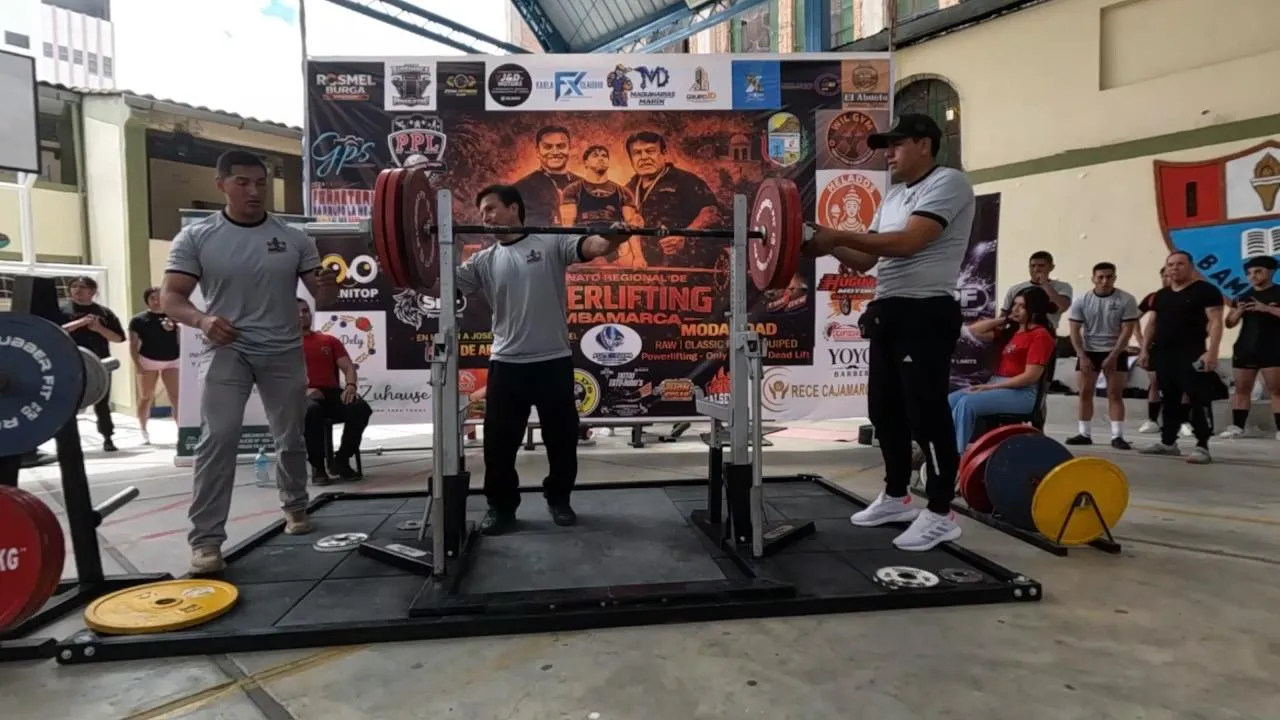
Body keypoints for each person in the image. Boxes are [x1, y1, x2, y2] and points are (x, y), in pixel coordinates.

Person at [803, 113, 975, 552]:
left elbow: (908, 243)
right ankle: (897, 496)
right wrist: (819, 242)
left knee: (926, 415)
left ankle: (941, 512)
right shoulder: (894, 196)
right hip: (890, 311)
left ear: (924, 144)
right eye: (887, 147)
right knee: (884, 412)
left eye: (896, 145)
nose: (889, 154)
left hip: (926, 312)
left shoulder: (949, 183)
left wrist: (837, 235)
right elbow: (865, 261)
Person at [162, 150, 337, 575]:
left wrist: (330, 286)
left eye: (260, 183)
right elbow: (171, 298)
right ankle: (206, 541)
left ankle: (295, 505)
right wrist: (203, 320)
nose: (254, 191)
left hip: (282, 350)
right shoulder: (196, 238)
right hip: (229, 349)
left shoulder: (294, 238)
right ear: (221, 184)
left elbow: (324, 295)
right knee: (218, 439)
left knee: (290, 436)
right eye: (242, 182)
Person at [459, 184, 631, 536]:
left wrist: (614, 238)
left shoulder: (550, 243)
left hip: (552, 361)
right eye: (482, 212)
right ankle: (501, 507)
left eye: (491, 208)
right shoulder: (483, 261)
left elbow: (594, 246)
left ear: (513, 208)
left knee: (562, 439)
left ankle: (559, 499)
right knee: (498, 445)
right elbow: (437, 284)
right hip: (507, 363)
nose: (485, 217)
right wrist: (402, 264)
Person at [1137, 251, 1223, 463]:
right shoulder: (1161, 295)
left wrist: (1212, 351)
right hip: (1164, 353)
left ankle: (1202, 446)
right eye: (1171, 264)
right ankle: (1168, 443)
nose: (1174, 268)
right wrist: (1144, 350)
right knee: (1169, 399)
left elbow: (1216, 322)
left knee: (1197, 398)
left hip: (1192, 352)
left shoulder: (1206, 291)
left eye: (1180, 264)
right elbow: (1152, 324)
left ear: (1191, 267)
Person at [948, 287, 1056, 452]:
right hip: (999, 386)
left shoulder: (1040, 335)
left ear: (1034, 309)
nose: (1016, 309)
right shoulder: (1012, 331)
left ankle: (958, 454)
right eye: (1015, 304)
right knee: (950, 401)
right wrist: (1004, 319)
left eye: (1022, 306)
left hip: (1022, 392)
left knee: (967, 404)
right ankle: (942, 446)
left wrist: (991, 387)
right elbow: (975, 330)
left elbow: (1030, 376)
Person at [1064, 262, 1140, 449]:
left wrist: (1113, 355)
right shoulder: (1082, 300)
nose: (1105, 281)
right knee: (1085, 392)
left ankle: (1117, 436)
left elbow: (1127, 331)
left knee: (1115, 394)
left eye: (1109, 277)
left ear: (1115, 278)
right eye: (1100, 277)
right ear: (1093, 279)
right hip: (1089, 351)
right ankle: (1084, 433)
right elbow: (1074, 331)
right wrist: (1082, 355)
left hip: (1116, 350)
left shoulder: (1126, 299)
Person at [299, 299, 372, 484]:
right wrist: (303, 390)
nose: (302, 315)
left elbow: (348, 367)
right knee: (312, 411)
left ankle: (341, 460)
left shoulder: (328, 340)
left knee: (360, 408)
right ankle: (318, 466)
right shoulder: (283, 344)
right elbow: (278, 376)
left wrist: (350, 386)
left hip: (330, 394)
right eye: (297, 312)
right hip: (302, 396)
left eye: (305, 311)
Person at [622, 130, 721, 268]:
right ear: (631, 159)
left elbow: (711, 212)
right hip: (646, 268)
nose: (644, 157)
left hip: (686, 266)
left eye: (650, 151)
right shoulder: (628, 189)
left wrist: (684, 236)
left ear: (664, 154)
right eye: (637, 153)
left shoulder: (684, 180)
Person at [60, 276, 126, 452]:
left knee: (102, 402)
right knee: (70, 402)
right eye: (74, 286)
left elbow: (119, 338)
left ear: (92, 291)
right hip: (71, 362)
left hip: (99, 363)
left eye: (82, 287)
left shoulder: (104, 313)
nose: (77, 290)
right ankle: (69, 442)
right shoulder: (63, 310)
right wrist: (79, 323)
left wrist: (99, 329)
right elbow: (55, 331)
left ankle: (107, 437)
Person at [1221, 255, 1280, 439]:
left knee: (1276, 390)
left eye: (1257, 272)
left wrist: (1267, 309)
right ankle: (1237, 427)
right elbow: (1229, 323)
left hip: (1273, 347)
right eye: (1249, 273)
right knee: (1241, 389)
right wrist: (1238, 311)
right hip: (1245, 347)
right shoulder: (1243, 296)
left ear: (1270, 272)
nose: (1252, 276)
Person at [558, 145, 645, 267]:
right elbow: (568, 225)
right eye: (595, 155)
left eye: (604, 156)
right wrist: (567, 256)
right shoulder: (573, 190)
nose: (601, 158)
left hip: (612, 251)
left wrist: (639, 257)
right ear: (586, 163)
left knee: (627, 227)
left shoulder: (623, 192)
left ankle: (611, 238)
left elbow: (631, 226)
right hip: (584, 245)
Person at [129, 286, 181, 445]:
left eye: (160, 297)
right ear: (147, 300)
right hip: (148, 361)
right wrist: (138, 365)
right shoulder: (138, 320)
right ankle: (143, 430)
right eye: (153, 298)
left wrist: (174, 326)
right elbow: (133, 345)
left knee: (176, 397)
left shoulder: (174, 316)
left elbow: (185, 334)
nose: (157, 301)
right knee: (146, 397)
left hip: (172, 361)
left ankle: (181, 431)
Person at [512, 125, 581, 226]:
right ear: (538, 152)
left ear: (569, 149)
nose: (555, 152)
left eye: (561, 146)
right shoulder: (520, 189)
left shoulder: (584, 185)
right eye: (548, 147)